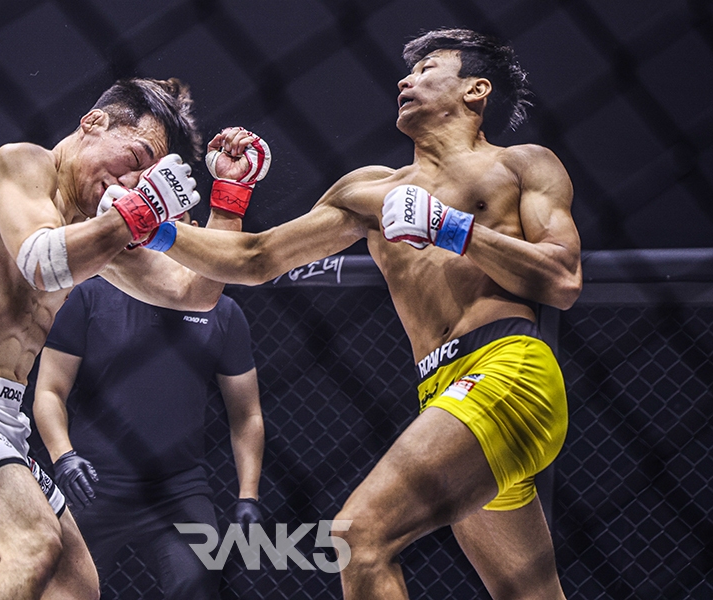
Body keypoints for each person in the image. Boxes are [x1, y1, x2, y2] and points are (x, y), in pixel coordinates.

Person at [158, 29, 581, 599]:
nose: (406, 79)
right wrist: (152, 225)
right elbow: (255, 259)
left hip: (508, 370)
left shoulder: (522, 164)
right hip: (441, 392)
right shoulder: (370, 191)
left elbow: (562, 279)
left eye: (428, 69)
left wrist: (451, 227)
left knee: (359, 537)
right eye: (408, 71)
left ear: (475, 89)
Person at [0, 74, 270, 600]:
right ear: (93, 123)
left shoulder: (99, 229)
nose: (133, 181)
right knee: (33, 545)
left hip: (5, 422)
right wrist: (140, 210)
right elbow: (42, 261)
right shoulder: (22, 164)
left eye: (148, 177)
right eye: (134, 159)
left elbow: (195, 292)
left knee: (75, 586)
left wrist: (228, 198)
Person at [32, 212, 264, 597]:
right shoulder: (91, 295)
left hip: (179, 487)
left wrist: (248, 494)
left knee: (200, 583)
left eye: (174, 223)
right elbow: (49, 390)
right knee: (61, 588)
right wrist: (63, 456)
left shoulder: (222, 312)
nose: (161, 234)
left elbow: (247, 414)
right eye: (154, 222)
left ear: (192, 231)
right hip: (94, 483)